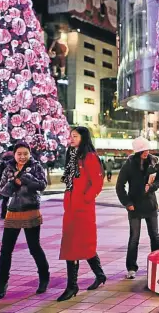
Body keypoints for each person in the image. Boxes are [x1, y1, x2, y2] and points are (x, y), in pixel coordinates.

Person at [0, 142, 50, 299]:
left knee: (34, 247)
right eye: (19, 153)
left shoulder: (35, 167)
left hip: (31, 211)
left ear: (29, 153)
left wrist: (27, 179)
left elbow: (42, 185)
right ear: (14, 154)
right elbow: (2, 190)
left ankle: (44, 278)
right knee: (6, 250)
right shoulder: (9, 168)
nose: (22, 156)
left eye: (25, 153)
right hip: (13, 212)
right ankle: (1, 284)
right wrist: (13, 183)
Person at [57, 126, 106, 302]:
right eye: (71, 136)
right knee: (77, 243)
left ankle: (72, 286)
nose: (71, 139)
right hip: (71, 208)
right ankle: (99, 275)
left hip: (82, 209)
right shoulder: (72, 156)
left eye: (75, 136)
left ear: (83, 138)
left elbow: (97, 183)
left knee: (75, 245)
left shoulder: (90, 157)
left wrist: (85, 199)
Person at [115, 137, 159, 279]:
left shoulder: (154, 161)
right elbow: (120, 186)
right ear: (137, 151)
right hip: (134, 206)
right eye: (143, 150)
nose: (146, 153)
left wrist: (152, 187)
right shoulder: (129, 164)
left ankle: (157, 263)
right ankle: (131, 267)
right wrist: (127, 203)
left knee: (154, 235)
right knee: (134, 237)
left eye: (147, 149)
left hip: (150, 204)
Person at [0, 151, 14, 219]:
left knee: (5, 199)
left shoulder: (2, 164)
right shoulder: (13, 163)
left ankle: (3, 214)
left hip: (5, 183)